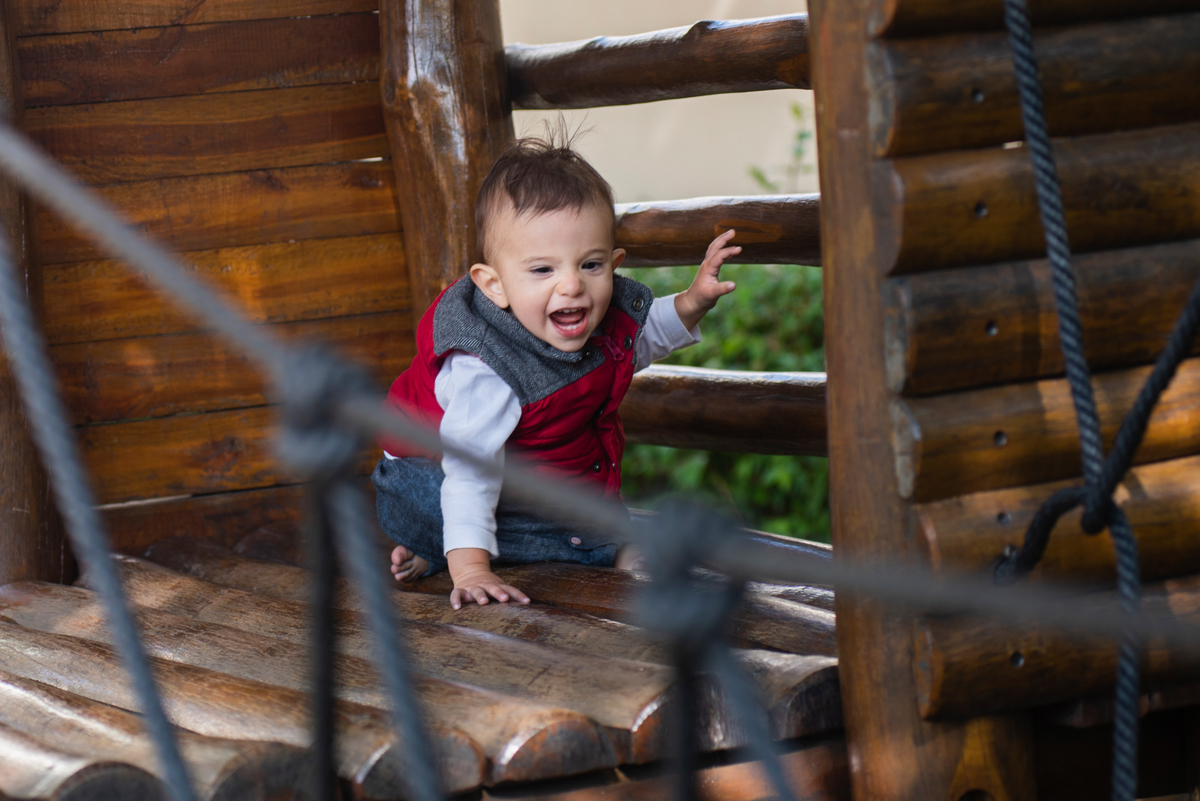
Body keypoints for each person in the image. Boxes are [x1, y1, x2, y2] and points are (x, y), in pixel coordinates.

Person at [373, 133, 739, 609]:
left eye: (590, 264)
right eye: (542, 270)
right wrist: (470, 570)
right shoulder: (484, 368)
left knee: (570, 513)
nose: (572, 284)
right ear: (494, 285)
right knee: (561, 531)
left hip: (529, 478)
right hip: (433, 479)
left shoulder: (595, 323)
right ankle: (451, 548)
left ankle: (448, 550)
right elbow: (470, 471)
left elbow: (635, 342)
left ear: (614, 264)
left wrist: (692, 302)